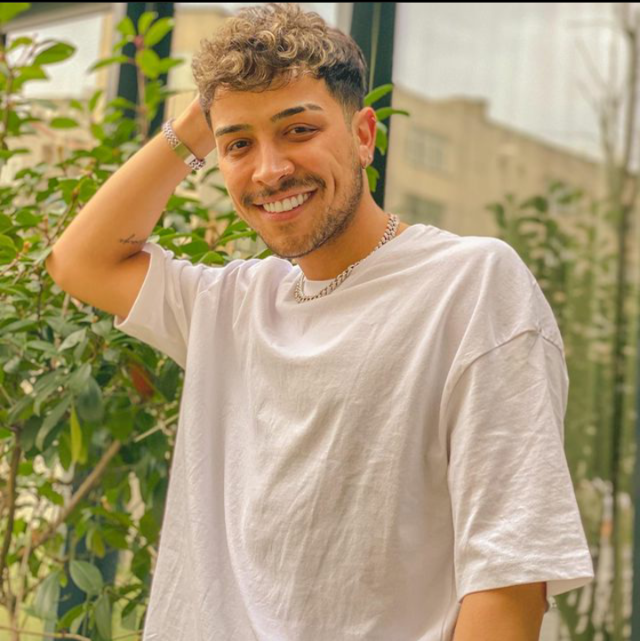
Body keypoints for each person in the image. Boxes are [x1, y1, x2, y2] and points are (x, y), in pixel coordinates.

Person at [46, 3, 595, 640]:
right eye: (239, 145)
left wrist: (229, 116)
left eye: (298, 129)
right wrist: (200, 122)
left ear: (363, 136)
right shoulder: (232, 303)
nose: (270, 170)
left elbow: (509, 574)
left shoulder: (469, 285)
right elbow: (79, 260)